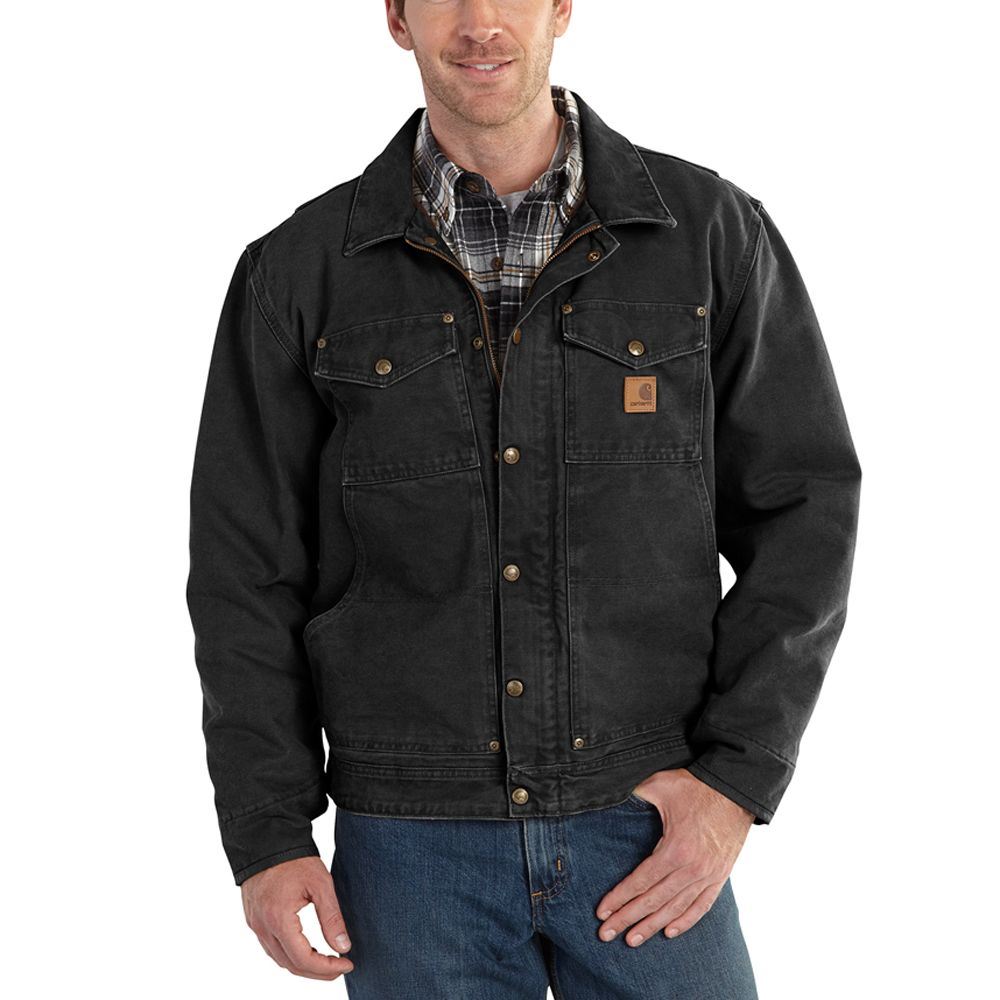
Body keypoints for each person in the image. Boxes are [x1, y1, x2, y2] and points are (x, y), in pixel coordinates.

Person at [185, 0, 862, 995]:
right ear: (396, 16)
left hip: (645, 822)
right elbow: (244, 570)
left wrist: (734, 781)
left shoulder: (710, 235)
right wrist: (266, 831)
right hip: (411, 845)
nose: (480, 22)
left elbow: (805, 512)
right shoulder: (299, 270)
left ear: (561, 7)